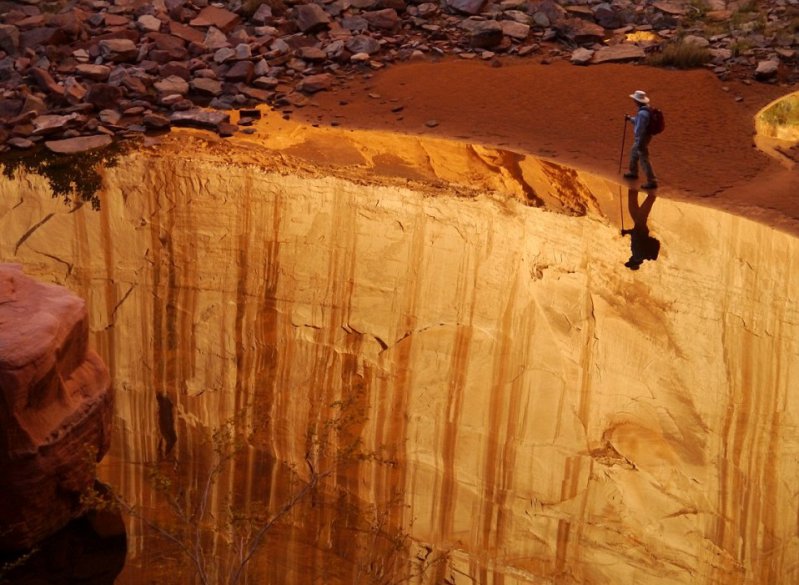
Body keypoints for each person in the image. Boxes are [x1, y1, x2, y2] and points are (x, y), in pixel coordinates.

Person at [624, 90, 658, 190]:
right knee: (634, 153)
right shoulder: (645, 110)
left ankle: (652, 181)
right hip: (644, 137)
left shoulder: (643, 113)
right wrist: (630, 118)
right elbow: (638, 121)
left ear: (637, 101)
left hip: (642, 138)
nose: (634, 101)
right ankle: (633, 172)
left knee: (644, 159)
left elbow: (640, 128)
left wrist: (638, 140)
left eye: (634, 100)